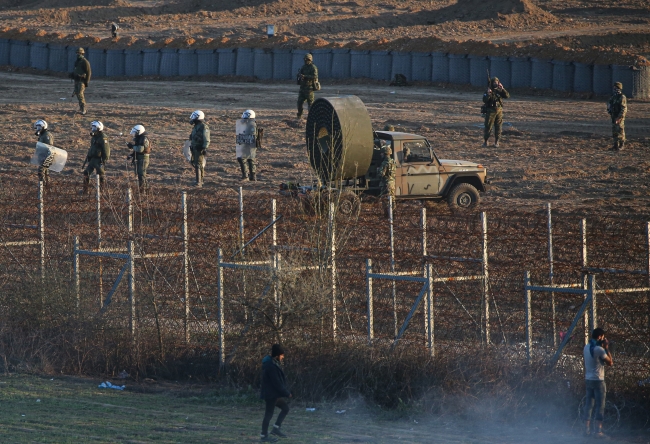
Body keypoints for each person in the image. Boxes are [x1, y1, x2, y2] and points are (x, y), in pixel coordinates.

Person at [583, 327, 613, 438]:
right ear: (600, 337)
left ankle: (586, 430)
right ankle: (598, 431)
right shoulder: (599, 350)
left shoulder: (586, 347)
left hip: (588, 379)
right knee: (600, 406)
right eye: (603, 337)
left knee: (589, 405)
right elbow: (610, 362)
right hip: (598, 380)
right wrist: (606, 348)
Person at [260, 344, 291, 442]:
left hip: (273, 394)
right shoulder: (271, 366)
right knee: (268, 415)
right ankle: (264, 436)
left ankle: (276, 428)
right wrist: (286, 393)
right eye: (282, 355)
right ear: (277, 355)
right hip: (271, 395)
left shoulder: (271, 363)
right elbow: (276, 382)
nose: (283, 357)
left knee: (285, 408)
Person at [82, 121, 110, 194]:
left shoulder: (103, 137)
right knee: (86, 173)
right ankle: (85, 190)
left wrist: (103, 160)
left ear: (99, 128)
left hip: (99, 160)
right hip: (93, 159)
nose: (93, 129)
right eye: (92, 127)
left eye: (94, 127)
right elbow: (92, 148)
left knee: (100, 174)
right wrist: (89, 156)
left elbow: (106, 150)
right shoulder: (94, 137)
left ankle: (101, 191)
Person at [482, 76, 509, 147]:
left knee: (498, 126)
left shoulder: (499, 90)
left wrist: (502, 89)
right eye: (494, 82)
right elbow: (484, 100)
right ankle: (485, 141)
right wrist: (488, 94)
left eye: (496, 82)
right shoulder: (488, 90)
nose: (495, 83)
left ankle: (497, 141)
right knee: (488, 126)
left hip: (499, 110)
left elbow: (507, 96)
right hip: (491, 110)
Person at [188, 110, 210, 187]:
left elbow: (206, 138)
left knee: (198, 164)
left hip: (199, 148)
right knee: (196, 163)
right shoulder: (196, 127)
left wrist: (204, 148)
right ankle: (199, 180)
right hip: (195, 147)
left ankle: (199, 182)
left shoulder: (204, 127)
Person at [236, 109, 259, 181]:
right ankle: (250, 176)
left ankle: (247, 176)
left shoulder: (252, 124)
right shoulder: (247, 124)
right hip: (246, 143)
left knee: (248, 159)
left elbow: (252, 135)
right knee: (248, 159)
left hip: (250, 144)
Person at [126, 124, 150, 192]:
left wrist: (132, 146)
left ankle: (143, 190)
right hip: (140, 158)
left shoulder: (143, 139)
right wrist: (132, 155)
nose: (134, 134)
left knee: (141, 174)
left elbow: (140, 149)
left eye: (135, 132)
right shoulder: (140, 138)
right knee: (140, 174)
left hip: (143, 158)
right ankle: (143, 189)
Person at [69, 48, 91, 115]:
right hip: (77, 80)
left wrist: (86, 82)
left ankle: (83, 109)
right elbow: (76, 70)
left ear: (82, 53)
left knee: (80, 94)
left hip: (82, 81)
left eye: (79, 53)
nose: (78, 54)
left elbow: (88, 72)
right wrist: (73, 75)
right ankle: (81, 107)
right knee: (77, 94)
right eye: (77, 53)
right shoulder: (77, 61)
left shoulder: (85, 61)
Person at [296, 53, 318, 119]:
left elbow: (315, 76)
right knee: (299, 103)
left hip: (309, 88)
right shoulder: (303, 67)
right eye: (305, 59)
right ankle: (299, 115)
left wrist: (305, 76)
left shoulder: (313, 67)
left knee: (310, 104)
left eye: (307, 59)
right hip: (303, 87)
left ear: (310, 60)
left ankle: (311, 117)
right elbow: (300, 74)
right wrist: (299, 76)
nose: (305, 61)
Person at [33, 119, 54, 186]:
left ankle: (43, 186)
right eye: (37, 127)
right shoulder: (42, 135)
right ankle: (47, 187)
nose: (38, 129)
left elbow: (49, 147)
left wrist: (47, 158)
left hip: (46, 157)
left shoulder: (47, 135)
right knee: (45, 173)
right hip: (42, 157)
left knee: (41, 172)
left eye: (40, 127)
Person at [607, 82, 627, 151]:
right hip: (613, 115)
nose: (614, 89)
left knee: (620, 130)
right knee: (614, 130)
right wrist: (609, 109)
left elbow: (623, 108)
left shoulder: (622, 97)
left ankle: (622, 145)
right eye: (614, 88)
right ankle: (615, 145)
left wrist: (619, 117)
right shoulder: (613, 97)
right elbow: (609, 104)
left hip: (619, 116)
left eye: (616, 88)